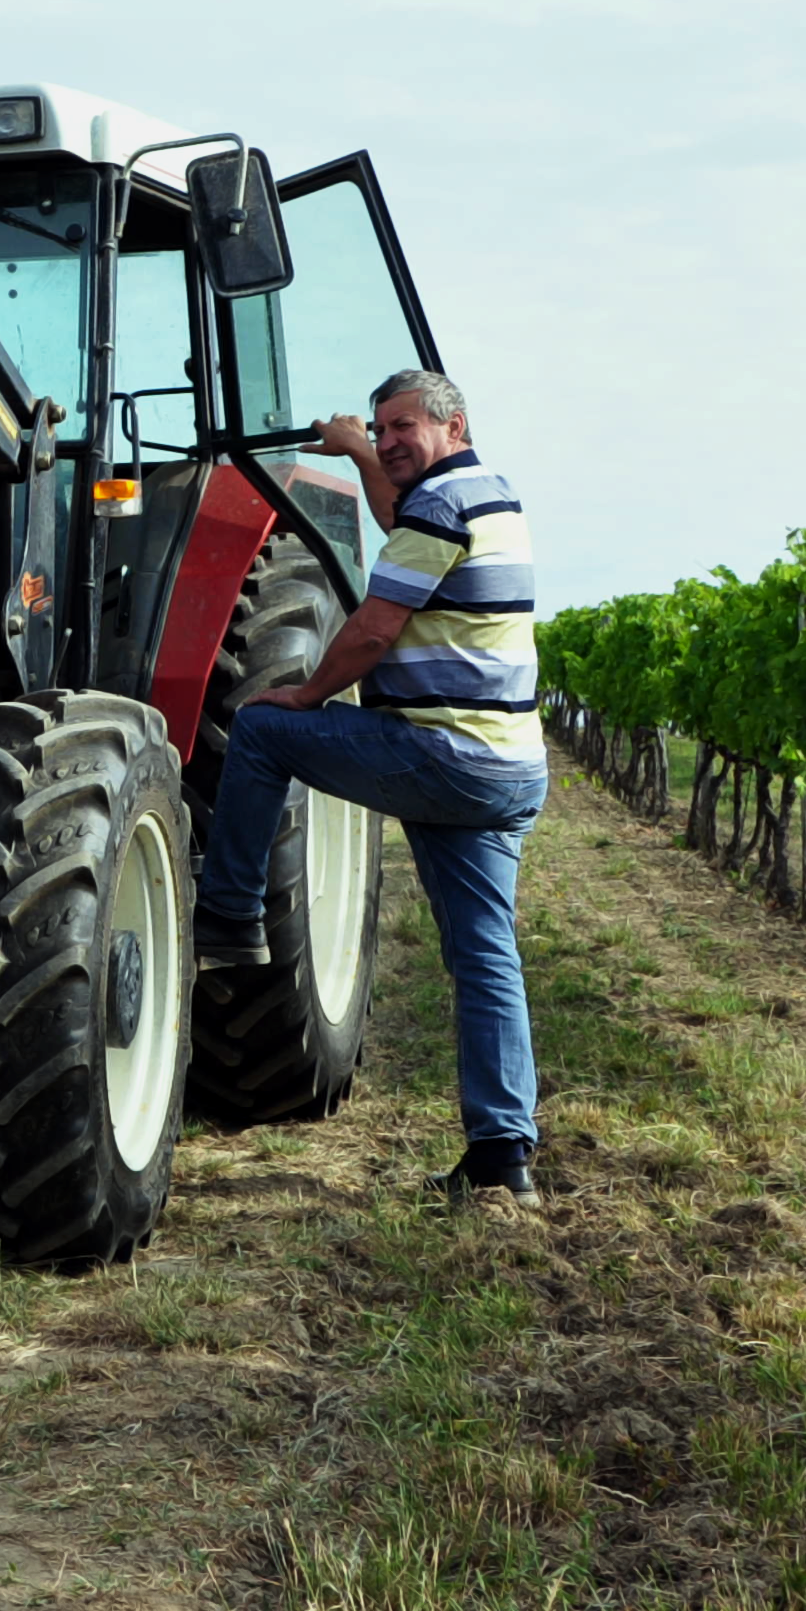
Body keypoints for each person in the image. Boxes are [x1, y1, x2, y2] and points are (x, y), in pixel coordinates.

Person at [192, 367, 550, 1208]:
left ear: (452, 424)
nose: (390, 442)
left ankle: (230, 916)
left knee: (262, 730)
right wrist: (356, 455)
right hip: (507, 769)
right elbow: (402, 525)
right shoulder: (484, 494)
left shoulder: (441, 502)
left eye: (402, 429)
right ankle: (503, 1157)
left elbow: (377, 626)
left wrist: (309, 694)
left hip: (445, 755)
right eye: (380, 429)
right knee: (485, 957)